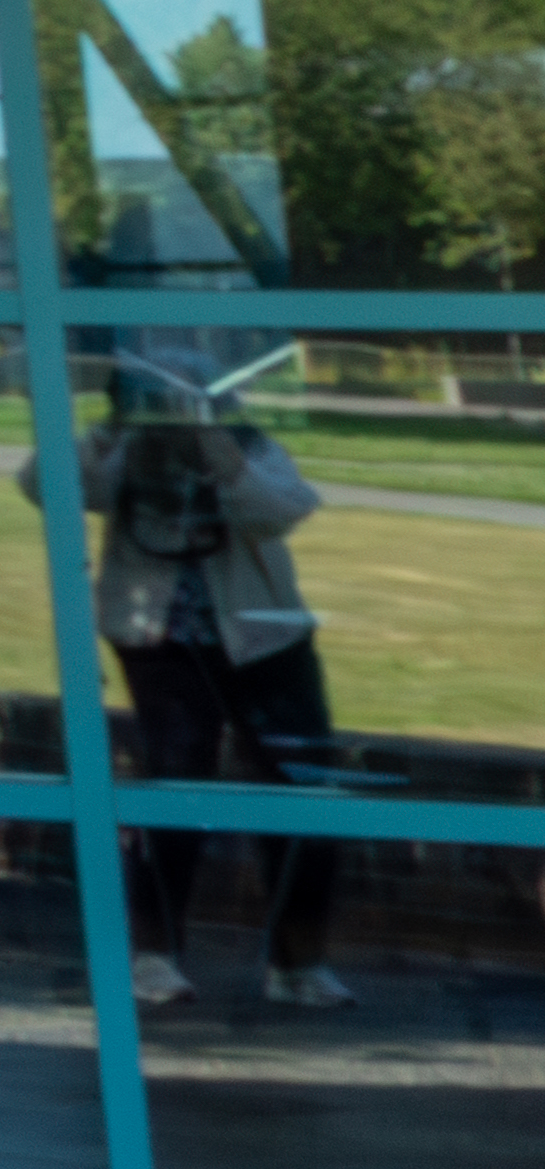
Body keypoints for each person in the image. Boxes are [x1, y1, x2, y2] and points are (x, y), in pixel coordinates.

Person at [38, 344, 352, 1017]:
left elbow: (283, 510)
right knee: (175, 787)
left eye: (184, 400)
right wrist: (113, 429)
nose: (169, 415)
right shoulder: (124, 450)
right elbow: (48, 486)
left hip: (265, 640)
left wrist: (217, 451)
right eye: (155, 399)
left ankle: (299, 962)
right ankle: (152, 956)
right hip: (160, 641)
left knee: (301, 789)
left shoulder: (249, 446)